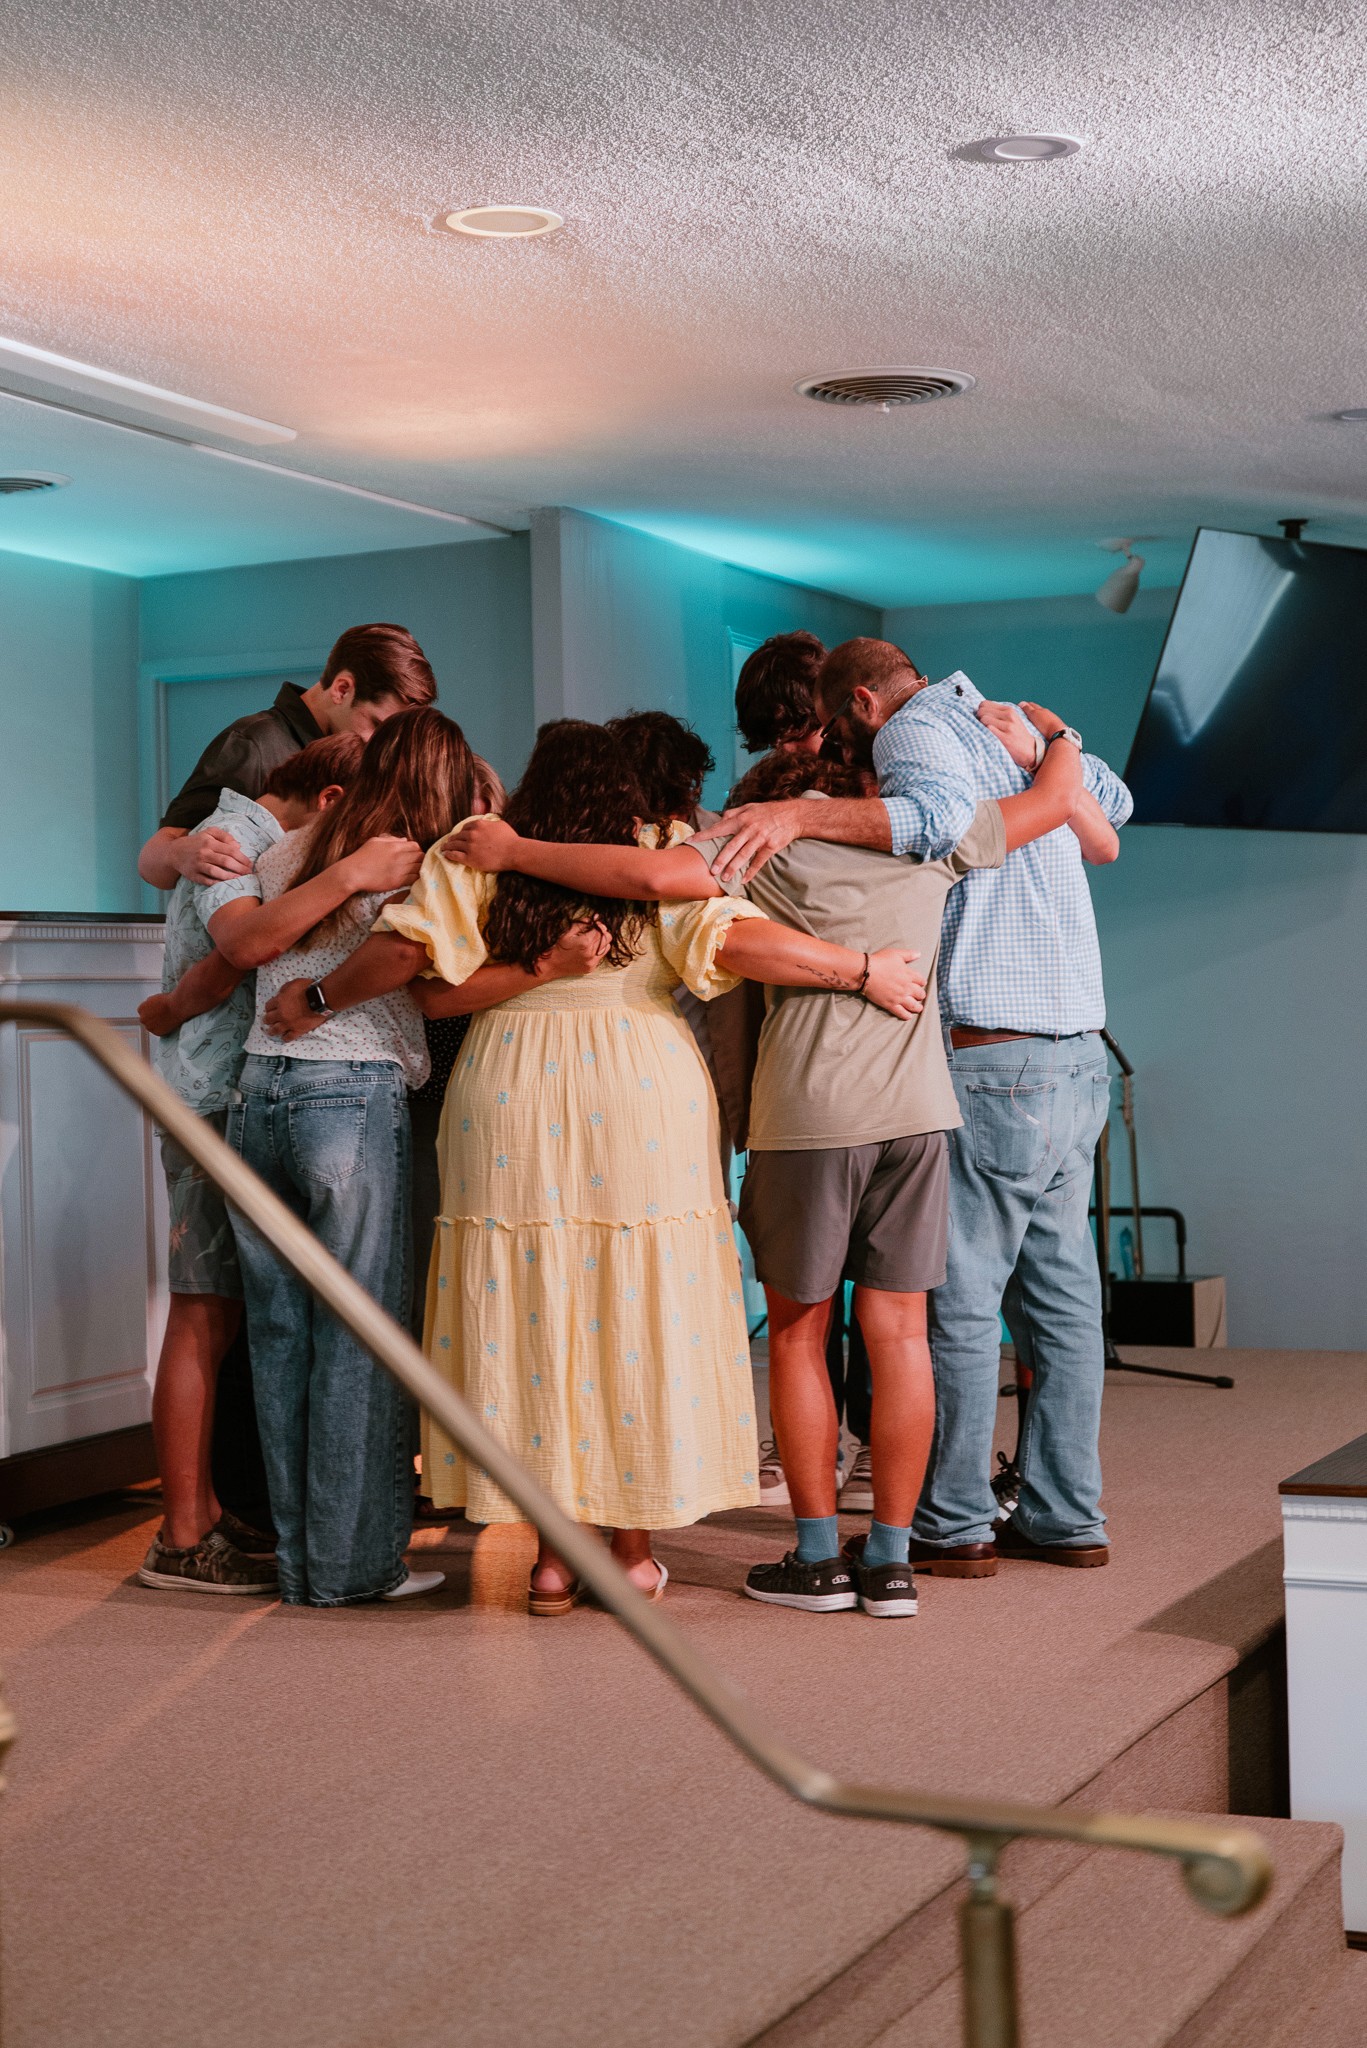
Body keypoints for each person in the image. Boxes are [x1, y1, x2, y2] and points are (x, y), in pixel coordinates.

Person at [268, 719, 925, 1612]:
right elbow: (736, 943)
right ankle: (631, 1555)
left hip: (508, 1091)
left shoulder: (479, 850)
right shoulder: (658, 852)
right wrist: (860, 970)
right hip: (640, 1088)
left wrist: (319, 996)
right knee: (633, 1308)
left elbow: (420, 980)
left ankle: (551, 1558)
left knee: (534, 1311)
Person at [443, 708, 1083, 1618]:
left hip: (810, 1119)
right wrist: (1058, 741)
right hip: (918, 1116)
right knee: (903, 1337)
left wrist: (515, 850)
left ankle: (817, 1559)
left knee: (797, 1336)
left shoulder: (758, 852)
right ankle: (892, 1563)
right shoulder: (936, 845)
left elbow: (645, 875)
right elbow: (1053, 805)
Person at [711, 637, 1132, 1573]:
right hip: (1077, 1054)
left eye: (832, 729)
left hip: (990, 1054)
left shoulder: (910, 734)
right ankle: (1066, 1515)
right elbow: (1109, 820)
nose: (835, 751)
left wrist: (791, 811)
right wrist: (1057, 739)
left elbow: (934, 821)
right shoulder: (1009, 725)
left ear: (862, 704)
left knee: (959, 1305)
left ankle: (951, 1521)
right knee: (1063, 1301)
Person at [135, 732, 421, 1592]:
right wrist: (169, 1007)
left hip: (243, 1091)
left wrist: (169, 1005)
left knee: (257, 1321)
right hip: (213, 1097)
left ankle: (243, 1522)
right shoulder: (240, 843)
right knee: (206, 1311)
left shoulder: (243, 842)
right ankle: (183, 1532)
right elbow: (236, 952)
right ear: (331, 801)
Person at [226, 708, 470, 1606]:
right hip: (351, 1093)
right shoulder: (419, 859)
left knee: (280, 1336)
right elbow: (413, 965)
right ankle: (354, 1566)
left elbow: (243, 942)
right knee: (359, 1336)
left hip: (258, 1092)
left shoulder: (290, 850)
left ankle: (302, 1565)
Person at [732, 639, 874, 1510]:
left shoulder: (878, 798)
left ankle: (863, 1445)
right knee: (805, 1286)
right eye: (773, 738)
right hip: (791, 1059)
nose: (788, 749)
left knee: (879, 1293)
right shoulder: (757, 804)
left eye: (796, 730)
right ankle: (811, 1441)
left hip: (869, 1058)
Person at [138, 622, 438, 892]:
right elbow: (152, 864)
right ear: (342, 689)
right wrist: (178, 853)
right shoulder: (253, 744)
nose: (382, 744)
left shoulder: (367, 757)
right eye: (376, 724)